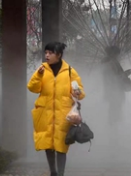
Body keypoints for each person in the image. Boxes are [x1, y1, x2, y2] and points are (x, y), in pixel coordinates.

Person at [27, 42, 85, 176]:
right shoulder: (42, 69)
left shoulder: (70, 71)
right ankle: (53, 172)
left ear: (58, 55)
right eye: (46, 52)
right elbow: (33, 88)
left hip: (63, 114)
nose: (47, 55)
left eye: (50, 53)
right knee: (48, 145)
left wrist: (77, 93)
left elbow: (79, 92)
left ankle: (61, 174)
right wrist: (38, 76)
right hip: (45, 113)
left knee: (61, 146)